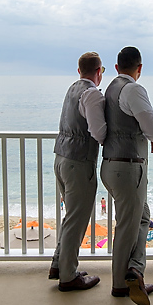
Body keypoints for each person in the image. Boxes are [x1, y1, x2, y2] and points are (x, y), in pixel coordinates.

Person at [100, 46, 153, 305]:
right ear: (139, 68)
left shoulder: (110, 89)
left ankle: (134, 271)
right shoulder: (134, 89)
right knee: (127, 227)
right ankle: (120, 284)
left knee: (142, 218)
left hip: (110, 165)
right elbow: (151, 124)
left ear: (117, 68)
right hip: (128, 168)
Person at [49, 52, 107, 292]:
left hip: (61, 158)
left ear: (78, 71)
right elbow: (99, 132)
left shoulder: (72, 88)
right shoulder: (91, 93)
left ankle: (59, 265)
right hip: (78, 163)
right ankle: (68, 276)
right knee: (77, 219)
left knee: (70, 217)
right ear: (99, 71)